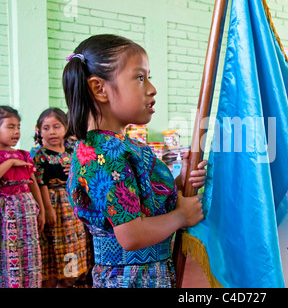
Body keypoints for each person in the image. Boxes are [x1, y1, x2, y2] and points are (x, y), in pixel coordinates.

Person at [62, 34, 206, 288]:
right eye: (140, 78)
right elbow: (131, 234)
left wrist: (181, 180)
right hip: (130, 279)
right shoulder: (102, 153)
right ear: (99, 89)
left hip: (151, 273)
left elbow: (143, 202)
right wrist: (181, 217)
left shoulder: (124, 146)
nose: (152, 88)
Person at [33, 108, 89, 288]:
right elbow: (41, 183)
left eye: (56, 126)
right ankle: (55, 279)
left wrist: (76, 171)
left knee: (72, 243)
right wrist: (47, 209)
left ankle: (70, 279)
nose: (52, 132)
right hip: (53, 205)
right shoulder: (40, 155)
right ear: (39, 131)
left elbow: (85, 174)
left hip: (73, 205)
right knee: (54, 244)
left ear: (65, 128)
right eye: (46, 128)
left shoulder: (73, 152)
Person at [0, 106, 45, 288]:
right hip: (6, 215)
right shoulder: (11, 158)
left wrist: (40, 210)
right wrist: (10, 162)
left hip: (26, 212)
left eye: (18, 127)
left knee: (29, 252)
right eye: (10, 127)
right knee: (9, 252)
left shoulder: (24, 155)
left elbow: (32, 183)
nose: (16, 132)